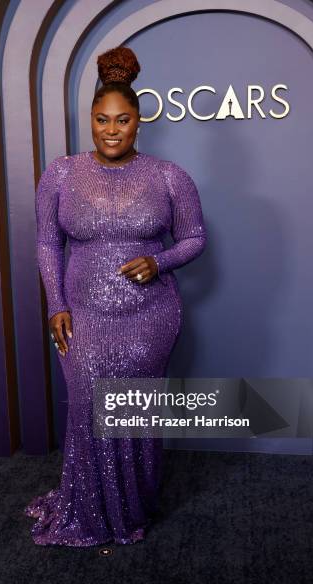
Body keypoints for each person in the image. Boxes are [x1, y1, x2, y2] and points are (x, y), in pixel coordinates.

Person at [24, 46, 207, 547]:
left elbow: (194, 238)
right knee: (87, 406)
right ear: (90, 119)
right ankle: (89, 510)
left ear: (138, 122)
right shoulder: (60, 174)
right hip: (81, 312)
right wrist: (55, 304)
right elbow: (46, 242)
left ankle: (134, 506)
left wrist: (159, 261)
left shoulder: (169, 177)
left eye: (122, 120)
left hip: (149, 316)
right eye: (101, 119)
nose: (111, 130)